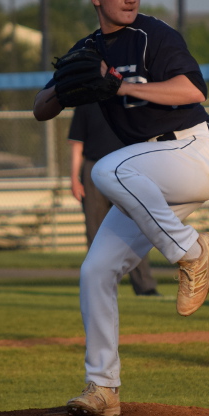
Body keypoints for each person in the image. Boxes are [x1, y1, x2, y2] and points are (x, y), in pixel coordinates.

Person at [33, 0, 209, 416]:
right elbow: (40, 108)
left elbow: (192, 91)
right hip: (148, 178)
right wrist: (65, 86)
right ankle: (103, 389)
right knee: (94, 272)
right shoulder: (87, 50)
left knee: (104, 170)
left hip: (192, 154)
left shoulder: (153, 35)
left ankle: (192, 253)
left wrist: (120, 87)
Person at [68, 103, 160, 297]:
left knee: (134, 231)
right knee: (96, 234)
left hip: (124, 168)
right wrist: (74, 179)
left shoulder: (128, 98)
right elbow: (77, 145)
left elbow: (144, 140)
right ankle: (100, 287)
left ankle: (144, 287)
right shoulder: (86, 104)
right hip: (94, 169)